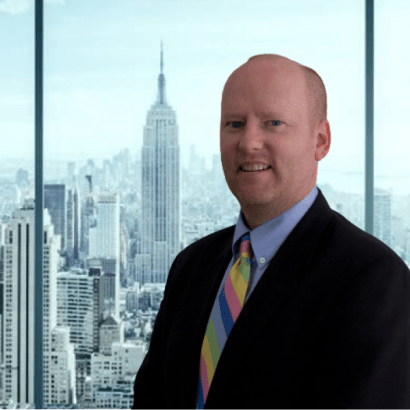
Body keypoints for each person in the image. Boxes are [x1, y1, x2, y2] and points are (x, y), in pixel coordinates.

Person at [133, 54, 410, 409]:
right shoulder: (191, 266)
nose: (248, 143)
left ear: (320, 141)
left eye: (273, 123)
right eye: (234, 124)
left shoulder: (373, 281)